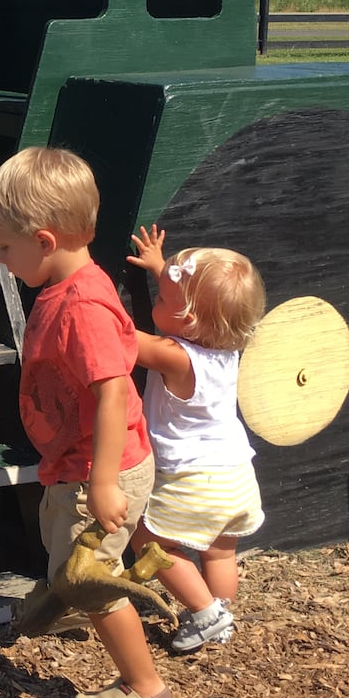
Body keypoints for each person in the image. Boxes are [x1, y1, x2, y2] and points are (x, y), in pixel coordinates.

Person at [0, 147, 174, 698]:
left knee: (96, 585)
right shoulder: (65, 287)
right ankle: (63, 599)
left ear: (43, 240)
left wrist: (106, 482)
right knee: (62, 551)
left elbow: (112, 392)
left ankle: (147, 692)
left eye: (4, 247)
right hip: (76, 464)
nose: (0, 258)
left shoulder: (80, 304)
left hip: (98, 470)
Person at [125, 224, 267, 653]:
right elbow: (191, 308)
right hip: (237, 474)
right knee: (221, 553)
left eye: (163, 298)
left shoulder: (174, 356)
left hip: (193, 478)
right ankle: (219, 614)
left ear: (186, 319)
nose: (157, 300)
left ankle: (204, 611)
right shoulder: (225, 349)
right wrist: (160, 269)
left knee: (147, 540)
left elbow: (122, 340)